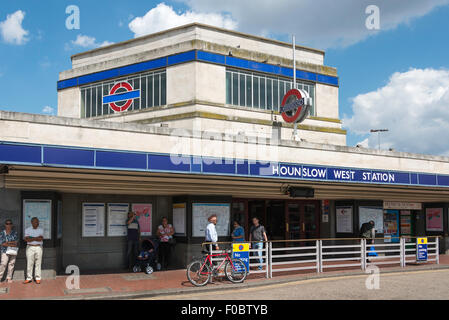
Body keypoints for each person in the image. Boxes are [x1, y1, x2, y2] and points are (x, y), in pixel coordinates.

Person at [24, 217, 44, 284]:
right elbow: (27, 239)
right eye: (35, 222)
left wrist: (31, 238)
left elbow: (40, 239)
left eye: (38, 222)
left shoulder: (41, 230)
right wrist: (36, 238)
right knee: (29, 263)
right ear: (32, 222)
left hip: (39, 247)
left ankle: (37, 278)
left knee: (38, 263)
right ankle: (29, 278)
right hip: (30, 248)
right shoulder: (27, 230)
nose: (37, 223)